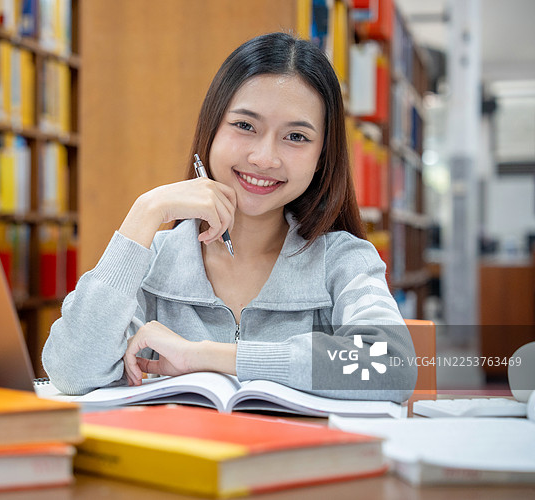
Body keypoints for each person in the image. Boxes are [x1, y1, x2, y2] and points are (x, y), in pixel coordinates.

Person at [42, 32, 417, 402]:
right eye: (245, 126)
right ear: (212, 129)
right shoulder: (154, 260)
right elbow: (72, 371)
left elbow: (392, 366)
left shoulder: (341, 260)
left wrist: (206, 357)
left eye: (296, 137)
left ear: (322, 158)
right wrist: (145, 211)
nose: (264, 158)